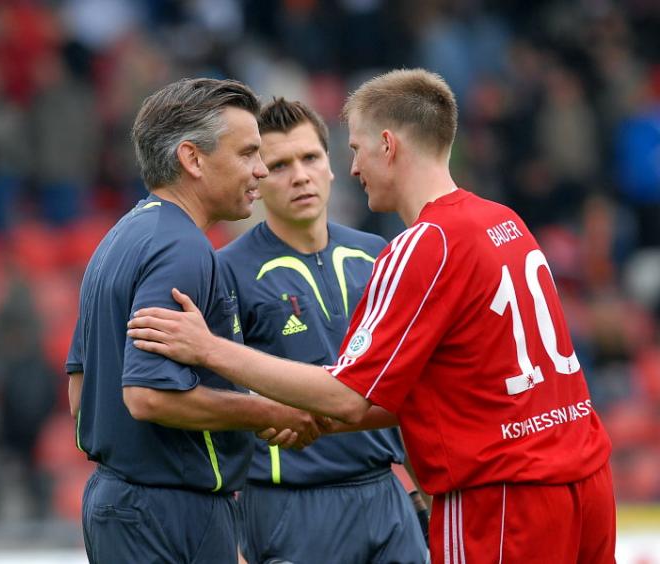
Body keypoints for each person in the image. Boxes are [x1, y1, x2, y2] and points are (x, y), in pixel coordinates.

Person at [127, 69, 616, 563]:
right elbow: (445, 387)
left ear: (387, 146)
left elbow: (349, 396)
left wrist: (208, 348)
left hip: (505, 490)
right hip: (583, 473)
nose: (353, 167)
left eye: (354, 149)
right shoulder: (503, 220)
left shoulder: (422, 243)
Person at [66, 77, 321, 564]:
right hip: (168, 511)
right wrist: (271, 412)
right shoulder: (182, 248)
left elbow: (80, 392)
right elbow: (147, 396)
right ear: (193, 158)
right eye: (248, 152)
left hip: (125, 504)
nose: (261, 170)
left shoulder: (121, 236)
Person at [220, 97, 428, 563]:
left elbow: (409, 391)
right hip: (288, 507)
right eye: (278, 165)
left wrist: (421, 491)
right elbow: (219, 408)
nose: (299, 175)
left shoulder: (379, 255)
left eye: (310, 157)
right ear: (256, 177)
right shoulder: (227, 273)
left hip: (385, 496)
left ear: (331, 166)